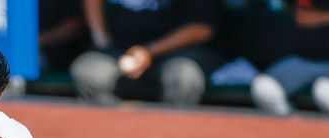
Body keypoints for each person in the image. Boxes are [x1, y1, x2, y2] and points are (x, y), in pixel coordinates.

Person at [70, 0, 225, 107]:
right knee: (88, 72)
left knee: (184, 76)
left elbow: (202, 29)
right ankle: (113, 136)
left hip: (176, 53)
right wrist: (101, 39)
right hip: (119, 52)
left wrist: (148, 52)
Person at [250, 0, 329, 119]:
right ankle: (289, 130)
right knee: (263, 88)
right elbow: (301, 17)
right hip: (304, 61)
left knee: (327, 93)